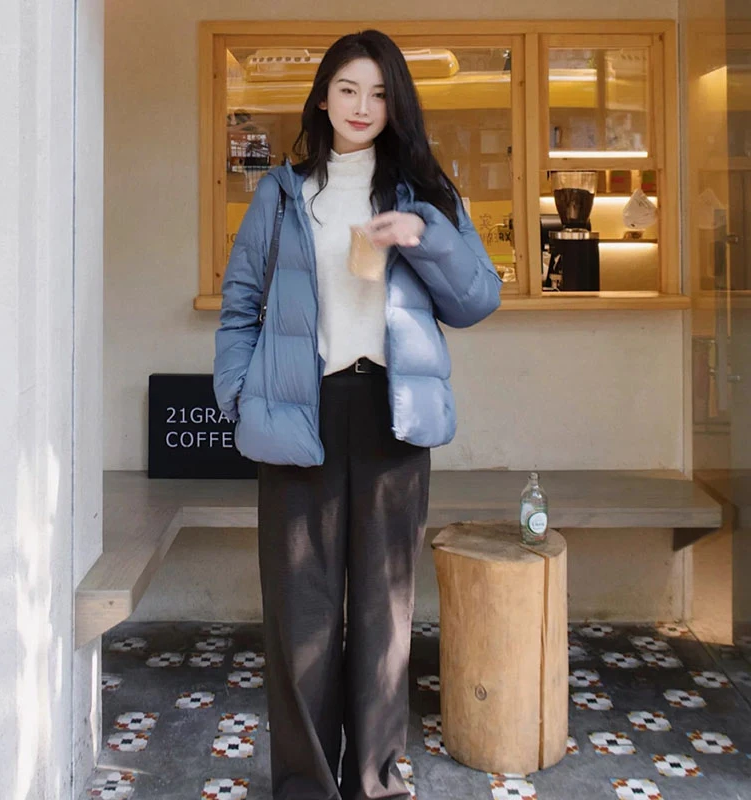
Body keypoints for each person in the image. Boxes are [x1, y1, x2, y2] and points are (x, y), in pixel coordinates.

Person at [213, 29, 502, 800]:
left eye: (379, 92)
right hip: (300, 414)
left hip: (391, 416)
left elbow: (477, 299)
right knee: (300, 617)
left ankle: (374, 783)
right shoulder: (281, 194)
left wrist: (424, 236)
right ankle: (305, 786)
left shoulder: (424, 195)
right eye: (347, 88)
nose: (362, 106)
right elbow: (240, 308)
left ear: (396, 103)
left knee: (384, 616)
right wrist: (238, 400)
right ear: (322, 99)